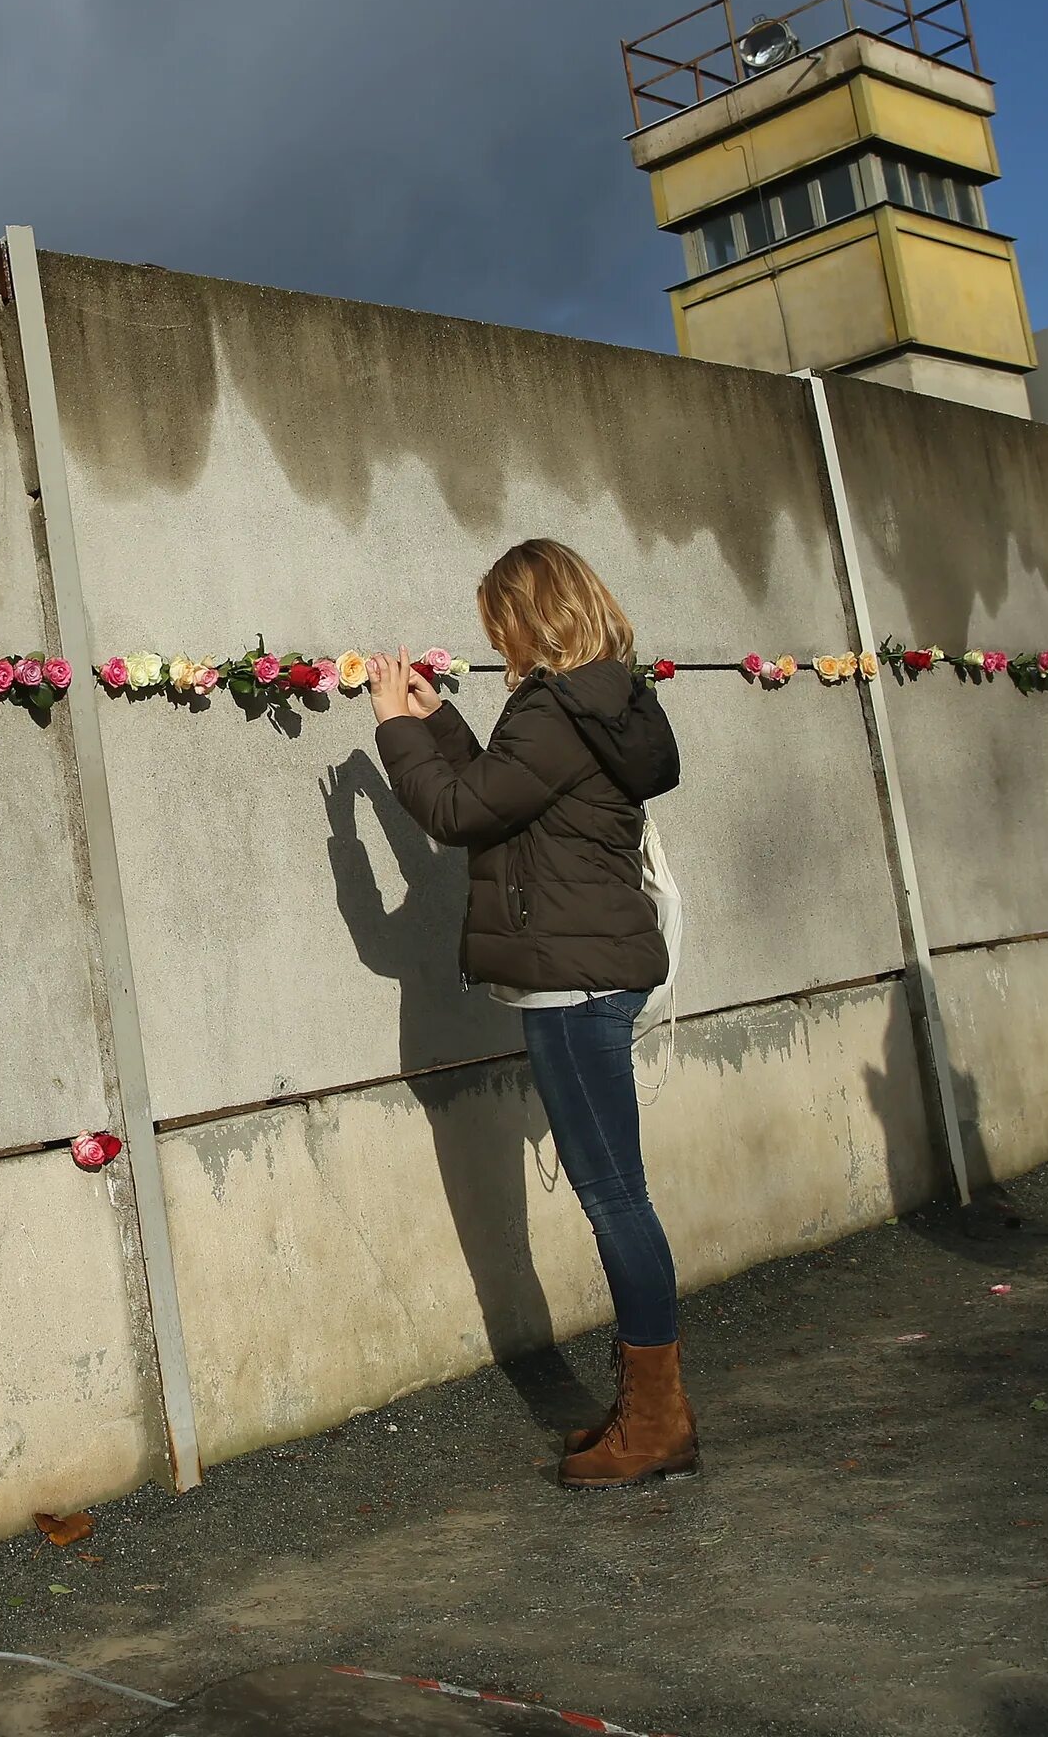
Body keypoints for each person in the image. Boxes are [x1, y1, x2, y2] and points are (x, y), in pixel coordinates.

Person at [367, 538, 692, 1489]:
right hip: (592, 967)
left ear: (529, 613)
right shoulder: (606, 700)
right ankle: (649, 1411)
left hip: (572, 980)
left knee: (614, 1196)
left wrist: (394, 727)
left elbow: (463, 814)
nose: (494, 638)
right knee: (618, 1190)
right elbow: (516, 799)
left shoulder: (551, 708)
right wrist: (447, 724)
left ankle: (660, 1420)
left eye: (498, 619)